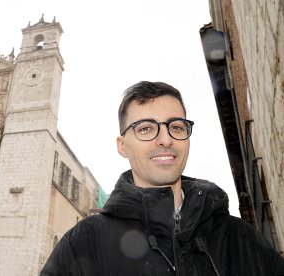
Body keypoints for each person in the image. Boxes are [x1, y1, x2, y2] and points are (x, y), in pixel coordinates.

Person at [40, 81, 284, 275]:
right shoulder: (83, 243)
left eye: (176, 127)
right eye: (146, 128)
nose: (165, 139)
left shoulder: (241, 238)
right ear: (122, 145)